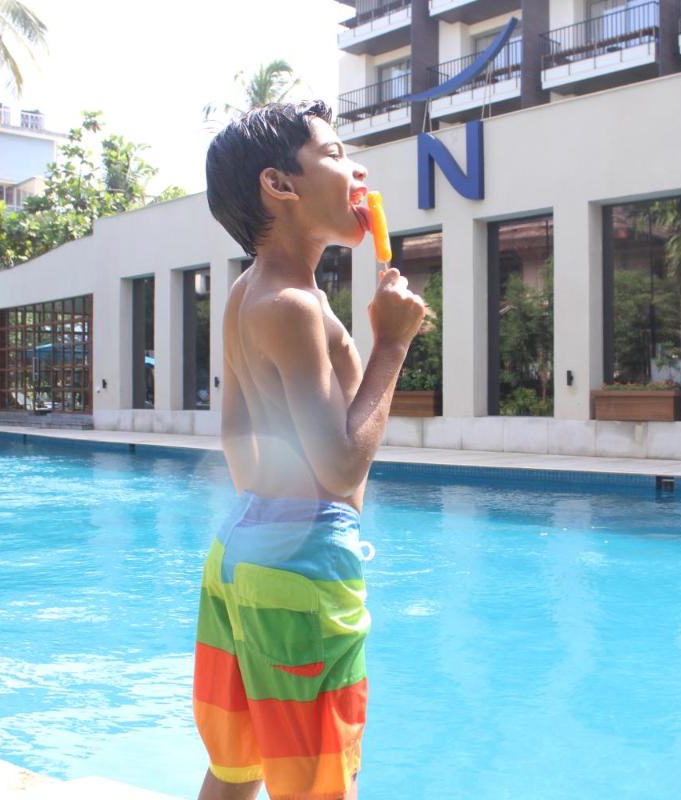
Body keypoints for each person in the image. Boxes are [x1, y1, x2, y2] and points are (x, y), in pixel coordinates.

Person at [192, 100, 426, 800]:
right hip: (303, 569)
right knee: (322, 785)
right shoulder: (294, 304)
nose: (357, 171)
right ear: (280, 185)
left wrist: (272, 527)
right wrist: (391, 344)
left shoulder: (247, 294)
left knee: (235, 769)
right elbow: (341, 466)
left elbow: (236, 438)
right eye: (334, 154)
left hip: (240, 552)